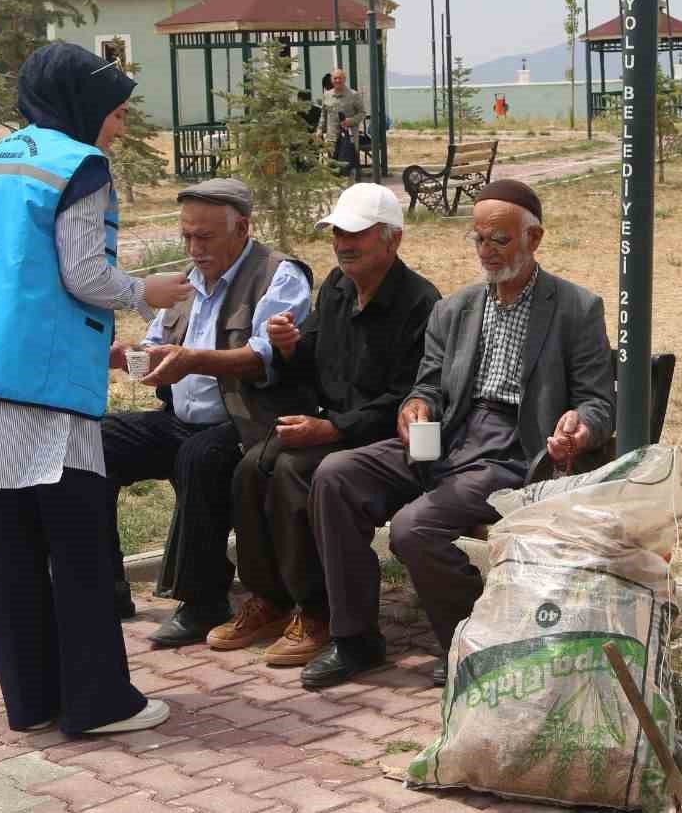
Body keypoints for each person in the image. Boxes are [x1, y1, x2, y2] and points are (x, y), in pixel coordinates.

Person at [0, 42, 191, 736]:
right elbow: (84, 274)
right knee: (78, 544)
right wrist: (145, 290)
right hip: (39, 391)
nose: (119, 126)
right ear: (84, 104)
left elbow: (3, 267)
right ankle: (98, 702)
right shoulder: (80, 166)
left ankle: (32, 701)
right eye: (116, 112)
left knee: (9, 547)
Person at [301, 179, 615, 690]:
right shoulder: (455, 308)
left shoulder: (575, 308)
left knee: (413, 528)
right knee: (336, 474)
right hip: (449, 437)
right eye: (479, 239)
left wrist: (578, 428)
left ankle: (471, 638)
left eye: (500, 240)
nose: (487, 251)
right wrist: (417, 405)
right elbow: (428, 384)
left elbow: (598, 402)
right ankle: (355, 638)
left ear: (534, 239)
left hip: (514, 449)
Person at [216, 183, 441, 667]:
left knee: (297, 471)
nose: (343, 244)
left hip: (382, 440)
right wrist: (289, 346)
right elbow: (311, 362)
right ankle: (270, 599)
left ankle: (317, 611)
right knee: (252, 466)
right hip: (332, 427)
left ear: (393, 240)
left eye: (355, 234)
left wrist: (333, 430)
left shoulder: (420, 303)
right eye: (337, 233)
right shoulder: (337, 287)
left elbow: (407, 397)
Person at [107, 178, 314, 649]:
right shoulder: (187, 281)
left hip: (247, 424)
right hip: (180, 418)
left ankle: (202, 602)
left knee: (201, 456)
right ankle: (106, 584)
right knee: (95, 442)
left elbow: (262, 358)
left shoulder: (279, 275)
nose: (194, 248)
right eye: (187, 236)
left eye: (204, 237)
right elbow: (159, 346)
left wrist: (192, 360)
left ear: (242, 228)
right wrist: (129, 356)